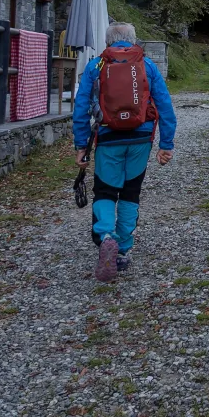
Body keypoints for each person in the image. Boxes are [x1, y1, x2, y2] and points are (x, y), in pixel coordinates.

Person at [72, 22, 177, 281]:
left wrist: (81, 145)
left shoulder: (95, 65)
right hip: (141, 137)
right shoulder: (148, 65)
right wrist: (166, 145)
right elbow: (165, 105)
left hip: (108, 138)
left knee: (106, 190)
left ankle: (107, 235)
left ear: (108, 42)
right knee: (130, 191)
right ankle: (123, 251)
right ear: (133, 39)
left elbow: (81, 106)